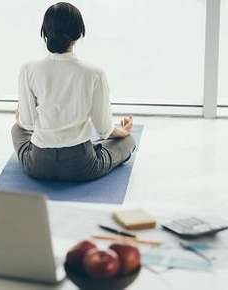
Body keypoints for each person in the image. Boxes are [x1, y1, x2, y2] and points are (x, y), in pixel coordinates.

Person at [11, 2, 135, 182]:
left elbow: (27, 124)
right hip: (81, 166)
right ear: (79, 34)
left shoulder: (28, 69)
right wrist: (123, 132)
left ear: (45, 33)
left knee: (16, 130)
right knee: (128, 142)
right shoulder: (94, 72)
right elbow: (104, 130)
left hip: (38, 165)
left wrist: (19, 117)